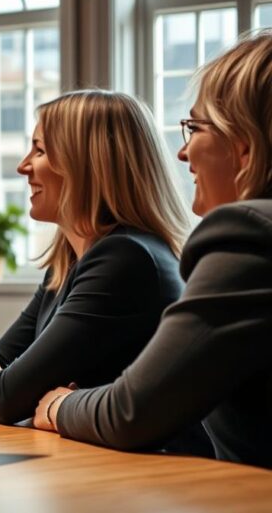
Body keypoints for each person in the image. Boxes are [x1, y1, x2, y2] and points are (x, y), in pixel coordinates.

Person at [33, 31, 272, 469]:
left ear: (244, 145)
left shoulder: (247, 236)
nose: (182, 153)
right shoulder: (72, 258)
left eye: (195, 127)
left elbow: (130, 412)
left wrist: (55, 406)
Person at [0, 90, 192, 429]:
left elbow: (5, 399)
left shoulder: (125, 259)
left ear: (87, 165)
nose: (23, 166)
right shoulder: (69, 262)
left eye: (41, 150)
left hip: (153, 473)